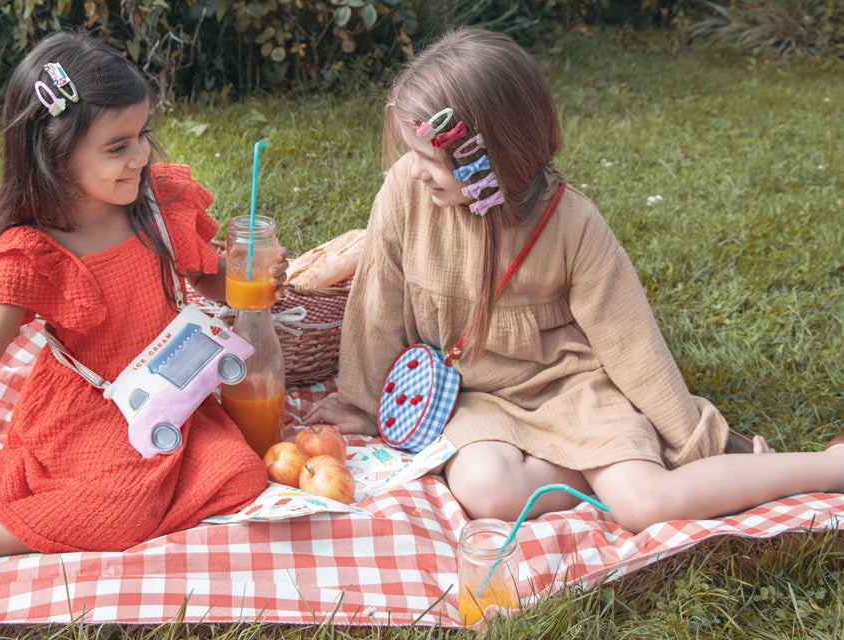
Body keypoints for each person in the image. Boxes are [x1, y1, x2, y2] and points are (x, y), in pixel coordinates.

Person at [305, 26, 844, 533]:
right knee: (485, 489)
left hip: (569, 386)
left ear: (493, 158)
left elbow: (631, 343)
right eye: (412, 154)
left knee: (646, 505)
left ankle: (825, 468)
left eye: (431, 158)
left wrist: (696, 440)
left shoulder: (572, 224)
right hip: (470, 395)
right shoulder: (407, 191)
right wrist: (366, 400)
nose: (416, 169)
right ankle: (599, 469)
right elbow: (377, 300)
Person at [0, 30, 286, 616]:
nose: (143, 156)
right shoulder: (38, 251)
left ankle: (10, 505)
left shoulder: (158, 207)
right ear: (55, 153)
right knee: (120, 508)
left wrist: (253, 276)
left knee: (241, 475)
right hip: (90, 412)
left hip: (170, 395)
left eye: (143, 134)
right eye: (117, 146)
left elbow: (209, 279)